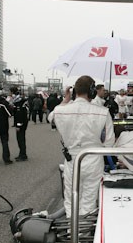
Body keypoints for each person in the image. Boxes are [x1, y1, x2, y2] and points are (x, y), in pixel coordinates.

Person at [49, 75, 115, 217]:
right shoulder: (103, 112)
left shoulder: (60, 110)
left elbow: (51, 117)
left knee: (71, 200)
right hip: (94, 160)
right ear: (92, 91)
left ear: (75, 91)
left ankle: (71, 227)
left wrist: (65, 100)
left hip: (72, 160)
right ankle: (85, 229)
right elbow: (109, 142)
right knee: (89, 201)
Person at [10, 86, 29, 161]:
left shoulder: (19, 102)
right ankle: (22, 154)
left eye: (11, 93)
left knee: (20, 139)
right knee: (21, 139)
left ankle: (23, 155)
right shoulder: (20, 100)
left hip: (21, 123)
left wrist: (18, 125)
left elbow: (20, 115)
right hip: (23, 122)